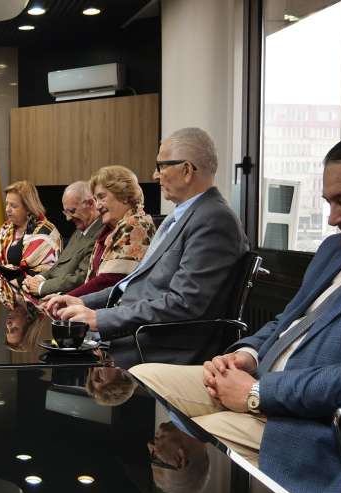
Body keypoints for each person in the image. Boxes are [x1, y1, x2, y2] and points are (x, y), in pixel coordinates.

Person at [130, 130, 341, 493]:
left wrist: (257, 394)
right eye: (328, 202)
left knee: (204, 431)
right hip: (261, 382)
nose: (333, 218)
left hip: (321, 424)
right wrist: (248, 354)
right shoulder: (335, 249)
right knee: (143, 377)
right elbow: (287, 320)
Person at [46, 128, 248, 356]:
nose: (155, 175)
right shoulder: (183, 216)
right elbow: (134, 286)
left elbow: (183, 304)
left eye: (161, 166)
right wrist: (82, 302)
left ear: (186, 170)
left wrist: (101, 319)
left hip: (156, 347)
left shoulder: (213, 219)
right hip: (137, 334)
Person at [67, 165, 156, 297]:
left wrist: (68, 298)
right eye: (96, 199)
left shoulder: (136, 225)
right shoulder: (111, 230)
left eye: (102, 197)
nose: (98, 206)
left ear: (124, 195)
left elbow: (110, 280)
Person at [22, 181, 102, 297]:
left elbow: (81, 278)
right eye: (65, 212)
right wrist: (39, 278)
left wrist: (42, 287)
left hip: (68, 297)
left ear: (90, 204)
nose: (68, 218)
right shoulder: (81, 229)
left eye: (72, 211)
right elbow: (59, 264)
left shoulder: (100, 233)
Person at [0, 180, 61, 283]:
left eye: (13, 206)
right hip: (2, 287)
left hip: (31, 288)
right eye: (7, 204)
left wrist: (13, 283)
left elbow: (45, 271)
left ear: (28, 208)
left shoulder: (45, 232)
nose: (7, 209)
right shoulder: (7, 228)